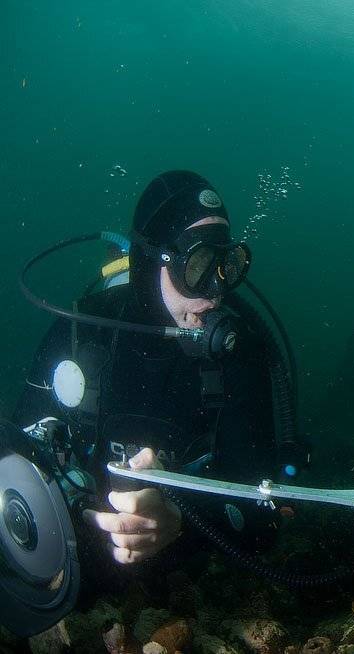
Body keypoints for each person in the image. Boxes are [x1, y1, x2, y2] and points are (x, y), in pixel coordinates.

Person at [11, 171, 292, 575]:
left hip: (185, 588)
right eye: (197, 266)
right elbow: (18, 461)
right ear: (149, 260)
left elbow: (262, 523)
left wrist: (180, 520)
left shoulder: (238, 353)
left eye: (226, 265)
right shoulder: (78, 332)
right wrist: (76, 508)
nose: (215, 291)